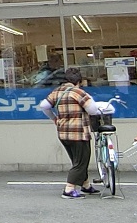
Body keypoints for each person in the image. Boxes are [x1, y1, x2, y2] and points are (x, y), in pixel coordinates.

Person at [39, 67, 96, 198]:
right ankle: (69, 189)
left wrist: (54, 118)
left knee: (77, 160)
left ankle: (86, 185)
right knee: (81, 162)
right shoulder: (78, 92)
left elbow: (43, 106)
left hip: (63, 133)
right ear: (79, 81)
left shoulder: (57, 92)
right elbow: (92, 110)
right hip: (79, 133)